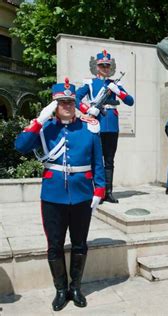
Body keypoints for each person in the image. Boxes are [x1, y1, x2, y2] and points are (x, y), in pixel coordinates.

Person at [15, 79, 105, 311]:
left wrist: (100, 188)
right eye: (61, 101)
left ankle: (76, 287)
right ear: (54, 105)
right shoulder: (46, 128)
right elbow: (21, 146)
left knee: (79, 243)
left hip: (82, 195)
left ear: (75, 103)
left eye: (70, 101)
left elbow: (98, 161)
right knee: (54, 245)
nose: (66, 104)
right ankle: (60, 289)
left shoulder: (89, 127)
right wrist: (40, 120)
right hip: (53, 196)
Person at [76, 49, 134, 204]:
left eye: (108, 66)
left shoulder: (116, 84)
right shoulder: (90, 83)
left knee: (109, 160)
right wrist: (87, 109)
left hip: (112, 125)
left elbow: (130, 101)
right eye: (102, 66)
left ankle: (108, 192)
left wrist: (119, 92)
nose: (105, 69)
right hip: (96, 123)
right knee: (96, 159)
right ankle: (98, 191)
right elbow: (75, 97)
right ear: (97, 67)